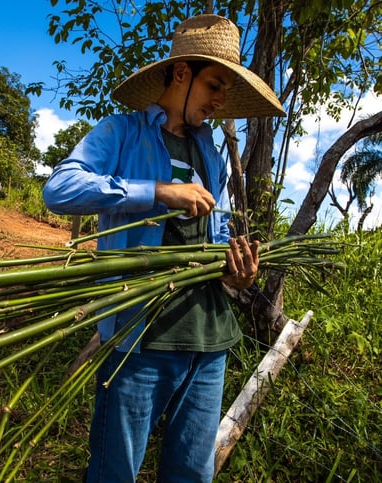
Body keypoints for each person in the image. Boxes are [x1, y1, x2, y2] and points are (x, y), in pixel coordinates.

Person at [43, 14, 285, 483]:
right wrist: (155, 191)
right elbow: (59, 189)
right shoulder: (122, 132)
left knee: (191, 475)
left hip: (210, 341)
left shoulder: (208, 151)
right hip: (140, 342)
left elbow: (215, 238)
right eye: (214, 85)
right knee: (115, 472)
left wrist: (235, 273)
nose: (219, 101)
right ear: (181, 74)